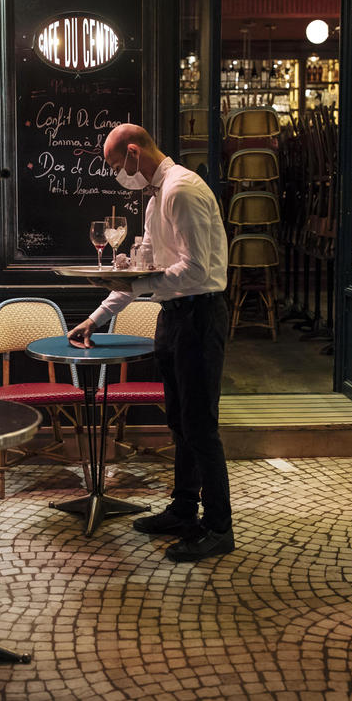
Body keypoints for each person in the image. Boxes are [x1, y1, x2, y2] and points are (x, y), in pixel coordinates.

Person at [67, 123, 233, 562]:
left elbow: (197, 271)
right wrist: (95, 319)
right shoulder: (155, 200)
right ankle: (183, 510)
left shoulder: (181, 191)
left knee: (201, 428)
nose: (118, 173)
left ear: (135, 154)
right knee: (179, 424)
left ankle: (219, 527)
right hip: (174, 317)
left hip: (200, 315)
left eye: (117, 165)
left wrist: (143, 282)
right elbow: (146, 273)